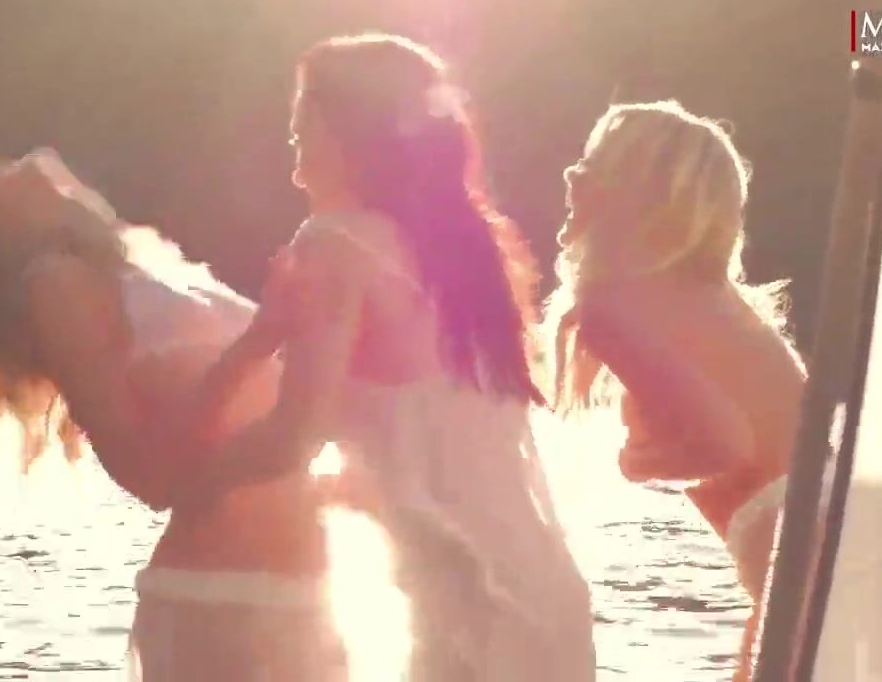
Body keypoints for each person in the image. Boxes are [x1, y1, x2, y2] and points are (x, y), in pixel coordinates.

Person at [173, 33, 597, 681]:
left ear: (353, 129)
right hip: (541, 593)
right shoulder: (466, 259)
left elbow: (294, 437)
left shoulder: (334, 243)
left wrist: (195, 480)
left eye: (307, 114)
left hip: (471, 609)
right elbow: (423, 442)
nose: (293, 131)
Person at [0, 151, 345, 681]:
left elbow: (278, 407)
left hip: (303, 585)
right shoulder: (53, 281)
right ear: (0, 233)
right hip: (227, 596)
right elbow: (149, 475)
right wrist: (262, 340)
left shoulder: (143, 267)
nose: (12, 167)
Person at [544, 100, 809, 681]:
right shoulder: (712, 298)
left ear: (637, 199)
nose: (572, 174)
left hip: (799, 571)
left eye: (596, 165)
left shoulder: (612, 310)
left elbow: (724, 444)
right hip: (825, 545)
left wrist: (634, 464)